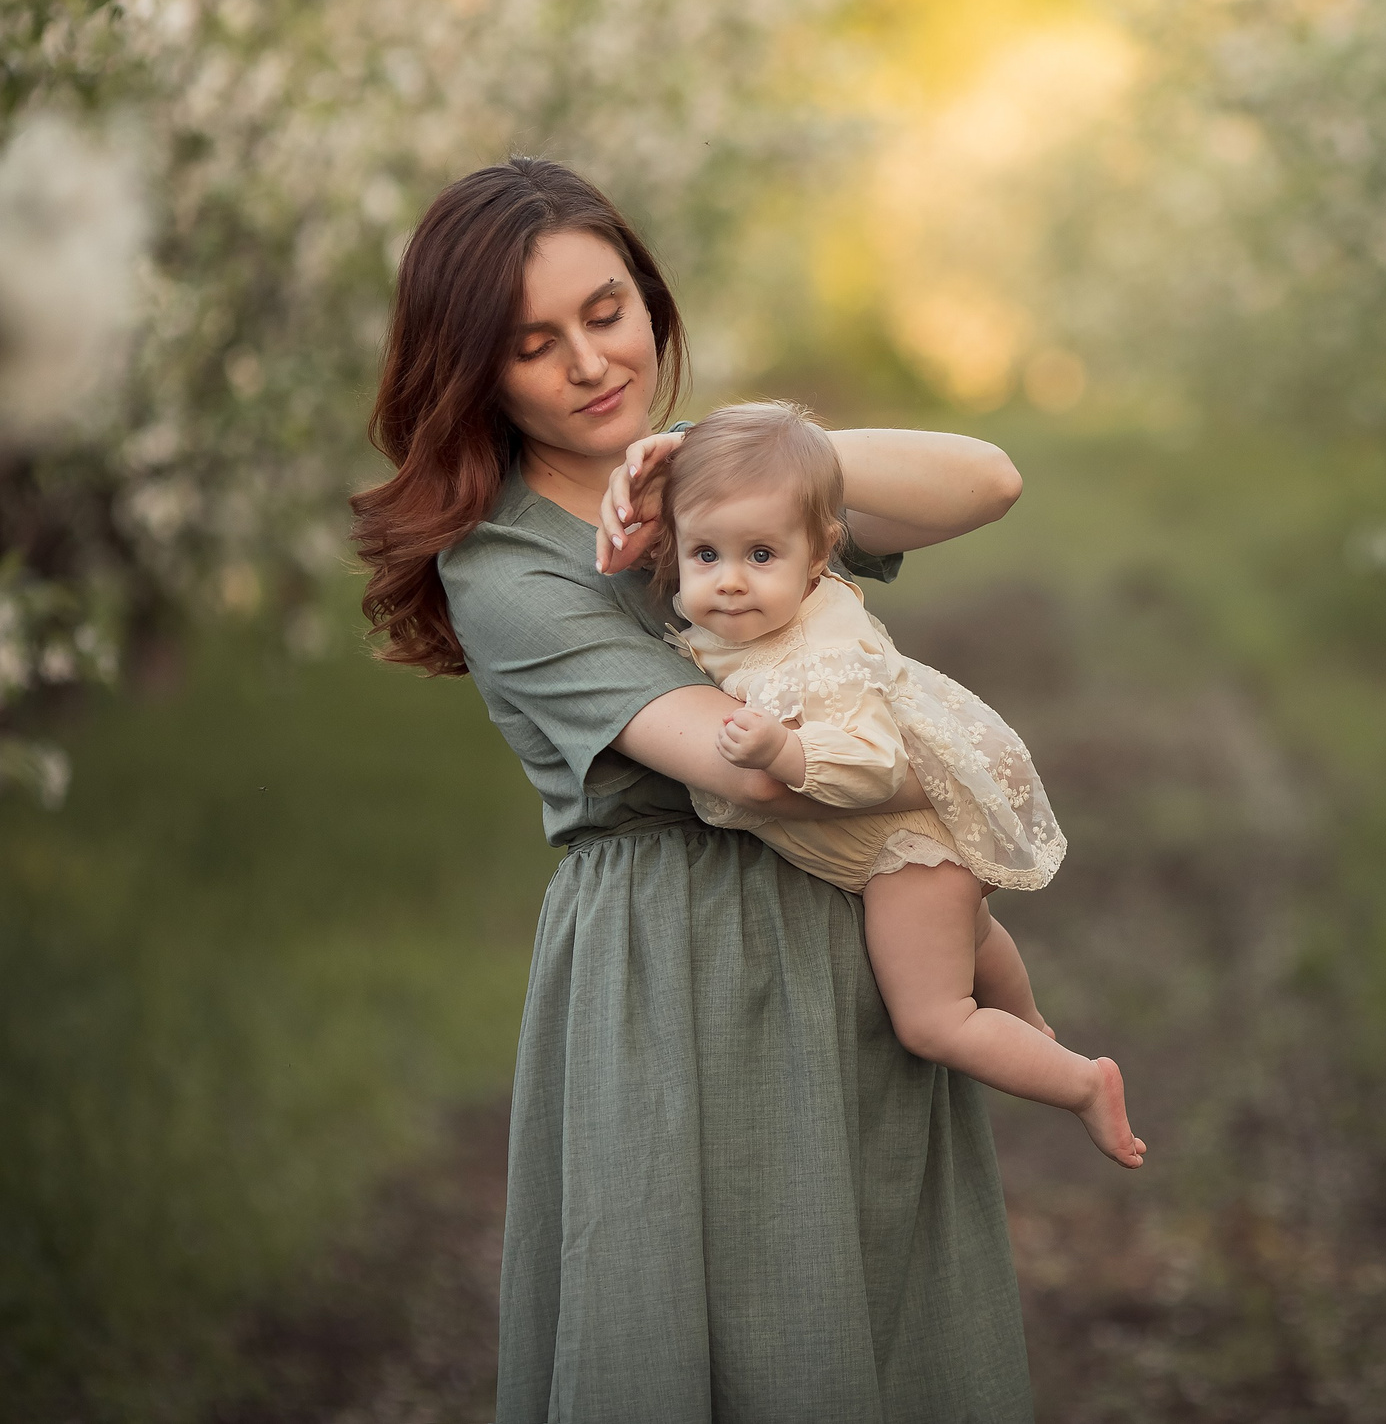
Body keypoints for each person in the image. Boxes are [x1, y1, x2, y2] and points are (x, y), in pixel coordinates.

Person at [350, 157, 1037, 1421]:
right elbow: (748, 763)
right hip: (672, 967)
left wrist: (760, 457)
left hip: (843, 945)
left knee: (877, 1312)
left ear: (650, 302)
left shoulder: (726, 483)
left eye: (605, 312)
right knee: (685, 1328)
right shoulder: (501, 566)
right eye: (532, 344)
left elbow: (986, 481)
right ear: (477, 372)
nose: (587, 364)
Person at [645, 401, 1145, 1168]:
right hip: (911, 854)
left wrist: (785, 749)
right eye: (705, 555)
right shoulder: (730, 622)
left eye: (760, 556)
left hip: (906, 852)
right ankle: (1031, 1027)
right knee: (971, 937)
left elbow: (874, 762)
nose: (731, 582)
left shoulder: (824, 646)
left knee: (935, 1020)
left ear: (819, 556)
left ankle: (1079, 1082)